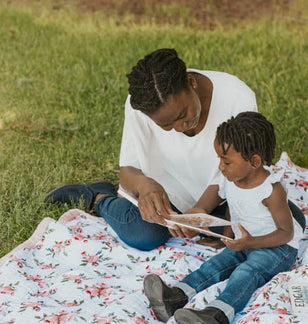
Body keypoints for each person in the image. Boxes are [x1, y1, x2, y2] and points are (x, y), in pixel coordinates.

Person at [45, 48, 258, 250]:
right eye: (166, 126)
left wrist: (204, 212)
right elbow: (128, 171)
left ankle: (212, 224)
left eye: (183, 114)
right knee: (144, 235)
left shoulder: (237, 98)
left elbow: (245, 171)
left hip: (224, 195)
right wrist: (145, 185)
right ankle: (98, 196)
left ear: (191, 82)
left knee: (265, 224)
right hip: (168, 200)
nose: (180, 127)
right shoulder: (141, 106)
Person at [143, 112, 305, 324]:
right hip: (244, 242)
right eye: (219, 159)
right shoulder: (230, 179)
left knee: (246, 272)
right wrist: (226, 236)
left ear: (255, 162)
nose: (220, 166)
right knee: (216, 265)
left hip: (277, 248)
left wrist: (251, 242)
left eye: (226, 161)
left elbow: (286, 233)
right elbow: (233, 207)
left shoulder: (271, 190)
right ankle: (175, 296)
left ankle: (218, 315)